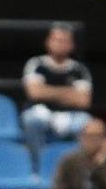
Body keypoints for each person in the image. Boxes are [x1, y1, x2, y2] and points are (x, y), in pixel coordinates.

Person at [21, 23, 94, 155]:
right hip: (41, 112)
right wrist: (69, 93)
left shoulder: (79, 70)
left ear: (72, 45)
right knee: (31, 120)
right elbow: (35, 93)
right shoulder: (36, 64)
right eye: (57, 40)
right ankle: (38, 169)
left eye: (65, 41)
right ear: (48, 42)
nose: (60, 44)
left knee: (87, 123)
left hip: (71, 116)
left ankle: (78, 169)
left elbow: (83, 101)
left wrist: (47, 90)